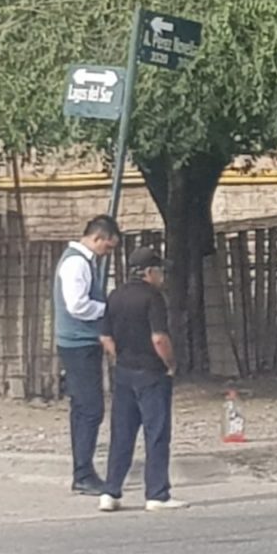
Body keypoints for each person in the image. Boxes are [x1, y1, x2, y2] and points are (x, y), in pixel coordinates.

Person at [98, 247, 187, 512]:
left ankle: (110, 491)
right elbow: (158, 338)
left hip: (124, 373)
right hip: (151, 373)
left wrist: (122, 358)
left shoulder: (115, 296)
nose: (162, 277)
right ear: (150, 272)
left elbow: (106, 338)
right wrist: (170, 364)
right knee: (156, 433)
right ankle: (157, 494)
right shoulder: (153, 298)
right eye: (159, 271)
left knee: (122, 435)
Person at [53, 214, 121, 494]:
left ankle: (83, 469)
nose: (108, 253)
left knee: (83, 409)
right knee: (90, 409)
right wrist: (108, 308)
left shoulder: (83, 262)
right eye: (108, 247)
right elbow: (77, 305)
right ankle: (83, 473)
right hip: (77, 343)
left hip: (82, 342)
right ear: (97, 238)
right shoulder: (76, 263)